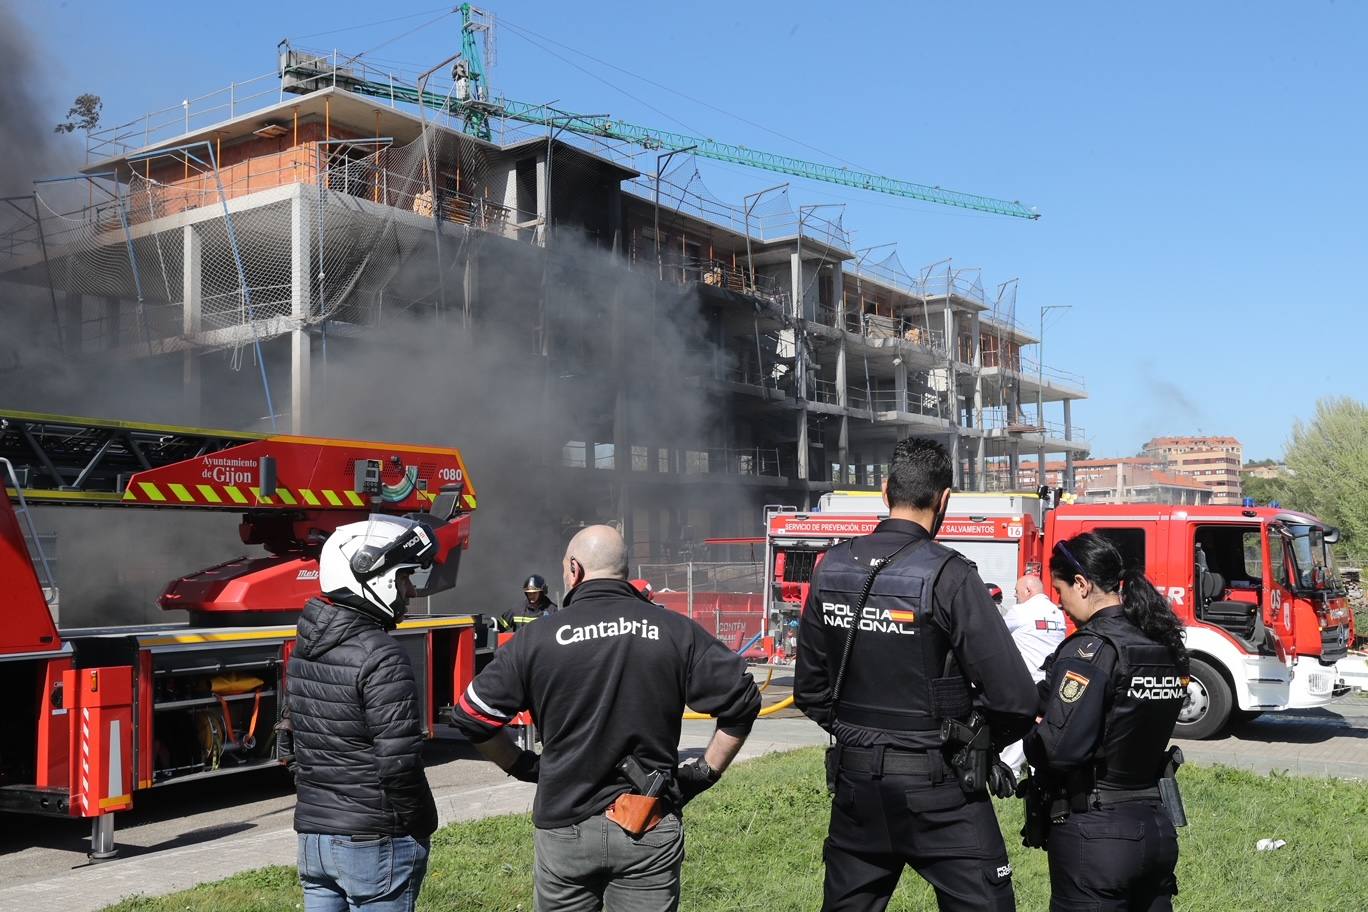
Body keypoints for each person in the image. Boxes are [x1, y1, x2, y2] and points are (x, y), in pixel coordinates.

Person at [450, 524, 762, 912]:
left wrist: (524, 765)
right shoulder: (674, 631)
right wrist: (703, 773)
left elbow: (470, 715)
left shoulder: (539, 638)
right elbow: (744, 702)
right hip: (648, 825)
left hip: (564, 828)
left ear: (575, 570)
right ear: (624, 572)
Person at [795, 437, 1037, 912]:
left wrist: (861, 733)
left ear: (885, 493)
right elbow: (1016, 699)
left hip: (856, 784)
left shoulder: (829, 568)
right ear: (944, 500)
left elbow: (810, 690)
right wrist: (972, 740)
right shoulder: (951, 575)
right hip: (939, 785)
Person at [1022, 532, 1189, 911]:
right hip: (1156, 828)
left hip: (1097, 836)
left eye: (1060, 589)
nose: (1059, 603)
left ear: (1082, 584)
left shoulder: (1091, 649)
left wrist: (1029, 738)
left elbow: (1057, 749)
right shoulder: (1161, 644)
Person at [286, 515, 441, 912]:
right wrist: (421, 824)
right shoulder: (381, 655)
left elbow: (290, 743)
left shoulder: (304, 647)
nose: (408, 589)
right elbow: (399, 764)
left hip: (314, 840)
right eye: (404, 577)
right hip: (374, 843)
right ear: (373, 577)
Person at [998, 574, 1068, 773]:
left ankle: (1009, 770)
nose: (1014, 595)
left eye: (1017, 591)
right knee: (1044, 727)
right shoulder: (1056, 612)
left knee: (1018, 725)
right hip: (1050, 682)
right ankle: (1037, 768)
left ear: (1028, 591)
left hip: (1025, 681)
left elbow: (995, 632)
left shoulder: (1020, 611)